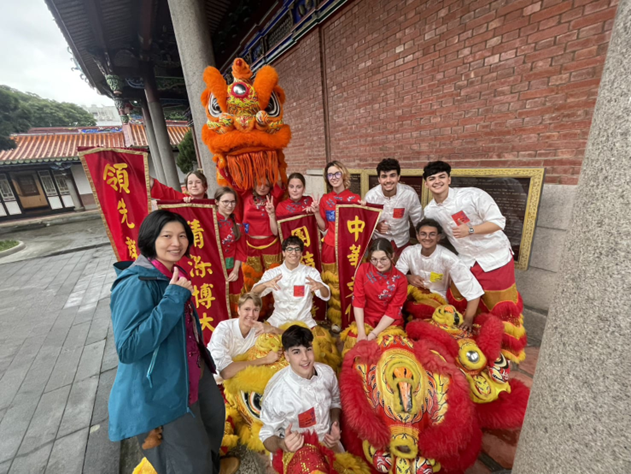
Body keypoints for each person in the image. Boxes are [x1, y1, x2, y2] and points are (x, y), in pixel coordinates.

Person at [108, 210, 225, 474]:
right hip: (164, 387)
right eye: (167, 236)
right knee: (186, 459)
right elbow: (128, 348)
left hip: (193, 373)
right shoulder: (136, 283)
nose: (176, 243)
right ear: (151, 238)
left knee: (213, 423)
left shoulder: (172, 272)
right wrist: (173, 298)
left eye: (182, 236)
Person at [422, 160, 527, 362]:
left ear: (449, 179)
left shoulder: (473, 195)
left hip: (494, 258)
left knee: (499, 305)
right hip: (467, 260)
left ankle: (502, 350)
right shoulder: (430, 211)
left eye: (442, 177)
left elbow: (498, 222)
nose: (437, 181)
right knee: (463, 299)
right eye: (432, 178)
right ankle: (472, 342)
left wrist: (470, 229)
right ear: (426, 184)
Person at [259, 325, 342, 455]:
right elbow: (266, 435)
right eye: (296, 352)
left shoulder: (327, 373)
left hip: (330, 445)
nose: (305, 358)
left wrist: (335, 424)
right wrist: (282, 444)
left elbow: (335, 401)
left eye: (308, 349)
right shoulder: (277, 393)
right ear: (287, 356)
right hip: (297, 453)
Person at [396, 219, 484, 328]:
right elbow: (394, 278)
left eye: (432, 234)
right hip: (413, 297)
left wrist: (468, 320)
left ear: (438, 237)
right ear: (417, 236)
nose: (427, 238)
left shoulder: (449, 258)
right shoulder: (409, 252)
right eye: (423, 234)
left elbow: (473, 291)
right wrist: (408, 277)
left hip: (439, 303)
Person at [316, 161, 360, 330]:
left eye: (337, 173)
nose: (334, 177)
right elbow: (323, 227)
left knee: (350, 282)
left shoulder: (355, 199)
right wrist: (315, 212)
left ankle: (352, 317)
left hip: (349, 248)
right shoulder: (325, 200)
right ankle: (336, 319)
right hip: (330, 246)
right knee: (333, 284)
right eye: (330, 175)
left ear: (343, 175)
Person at [252, 236, 330, 329]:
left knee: (318, 338)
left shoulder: (310, 272)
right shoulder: (273, 273)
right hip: (278, 320)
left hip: (304, 321)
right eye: (289, 249)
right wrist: (265, 284)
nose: (293, 253)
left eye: (297, 249)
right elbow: (254, 293)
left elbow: (326, 295)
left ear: (301, 253)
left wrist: (321, 286)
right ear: (283, 253)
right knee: (261, 337)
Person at [208, 293, 280, 383]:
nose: (251, 314)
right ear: (238, 310)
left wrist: (272, 329)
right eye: (247, 309)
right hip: (208, 379)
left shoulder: (259, 329)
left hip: (235, 380)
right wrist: (265, 360)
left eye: (255, 310)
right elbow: (225, 372)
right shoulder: (224, 329)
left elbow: (291, 336)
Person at [351, 238, 407, 343]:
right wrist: (361, 332)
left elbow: (393, 310)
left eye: (383, 259)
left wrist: (374, 334)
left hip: (390, 322)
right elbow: (358, 301)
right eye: (374, 259)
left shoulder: (401, 280)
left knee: (389, 347)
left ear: (392, 256)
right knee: (354, 343)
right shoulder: (363, 269)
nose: (379, 264)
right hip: (366, 318)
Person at [364, 158, 423, 258]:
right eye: (384, 176)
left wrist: (424, 242)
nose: (388, 180)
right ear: (379, 179)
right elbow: (365, 222)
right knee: (378, 267)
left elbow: (418, 221)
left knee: (401, 267)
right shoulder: (371, 196)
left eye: (392, 175)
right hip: (378, 241)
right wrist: (376, 226)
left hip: (401, 241)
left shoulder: (409, 194)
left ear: (398, 177)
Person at [241, 179, 285, 292]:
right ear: (254, 184)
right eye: (259, 184)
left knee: (275, 280)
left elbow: (279, 180)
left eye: (266, 185)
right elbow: (238, 179)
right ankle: (256, 303)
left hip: (271, 245)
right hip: (250, 246)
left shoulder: (274, 198)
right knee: (252, 280)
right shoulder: (246, 196)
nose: (262, 188)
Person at [214, 187, 247, 316]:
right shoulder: (210, 222)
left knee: (237, 302)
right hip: (216, 270)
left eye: (233, 202)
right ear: (216, 202)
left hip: (233, 270)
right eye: (225, 202)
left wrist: (236, 270)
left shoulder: (237, 224)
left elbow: (240, 250)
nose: (230, 205)